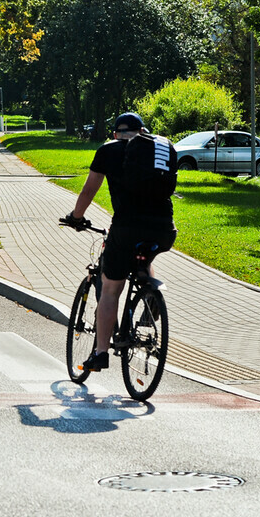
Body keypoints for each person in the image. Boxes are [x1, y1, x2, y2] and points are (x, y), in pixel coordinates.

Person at [62, 112, 177, 372]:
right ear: (143, 132)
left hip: (126, 228)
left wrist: (76, 217)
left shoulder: (109, 150)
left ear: (115, 133)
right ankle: (150, 297)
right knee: (145, 254)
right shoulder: (158, 150)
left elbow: (89, 189)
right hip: (165, 230)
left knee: (111, 288)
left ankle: (101, 352)